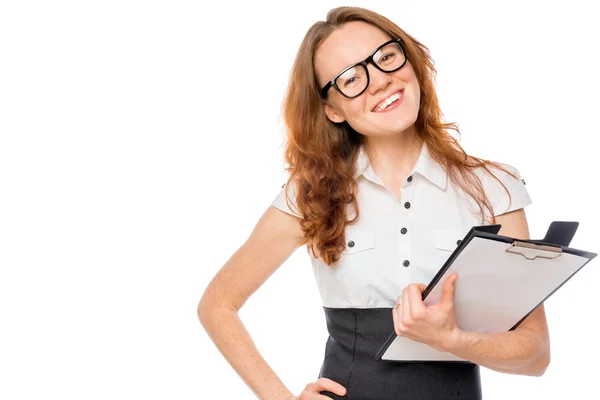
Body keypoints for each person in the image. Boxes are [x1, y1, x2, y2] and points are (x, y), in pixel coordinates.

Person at [198, 6, 550, 400]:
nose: (380, 81)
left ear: (409, 59)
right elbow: (217, 304)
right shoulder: (310, 194)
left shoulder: (494, 186)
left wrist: (453, 339)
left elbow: (535, 356)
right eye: (351, 79)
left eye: (385, 57)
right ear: (331, 109)